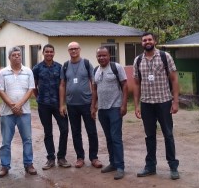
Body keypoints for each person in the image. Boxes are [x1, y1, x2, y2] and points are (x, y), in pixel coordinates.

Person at [133, 32, 181, 180]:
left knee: (168, 134)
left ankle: (173, 167)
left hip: (164, 102)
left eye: (149, 39)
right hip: (146, 103)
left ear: (155, 41)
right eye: (144, 40)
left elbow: (174, 79)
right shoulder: (138, 60)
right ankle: (150, 166)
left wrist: (175, 101)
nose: (147, 42)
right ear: (142, 43)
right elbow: (136, 83)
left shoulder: (165, 57)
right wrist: (136, 105)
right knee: (149, 136)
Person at [59, 41, 103, 169]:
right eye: (71, 49)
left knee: (91, 131)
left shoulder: (86, 63)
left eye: (75, 48)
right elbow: (62, 85)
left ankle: (94, 157)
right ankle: (80, 157)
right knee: (76, 132)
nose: (73, 51)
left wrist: (94, 104)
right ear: (68, 51)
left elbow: (94, 83)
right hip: (72, 105)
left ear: (80, 49)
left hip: (87, 103)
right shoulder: (65, 66)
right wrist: (62, 104)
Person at [0, 47, 37, 177]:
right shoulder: (3, 72)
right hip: (7, 113)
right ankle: (5, 166)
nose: (17, 57)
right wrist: (13, 106)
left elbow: (30, 90)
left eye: (19, 55)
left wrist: (18, 105)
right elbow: (0, 90)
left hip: (24, 112)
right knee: (6, 141)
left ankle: (28, 164)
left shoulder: (28, 71)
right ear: (9, 58)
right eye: (14, 55)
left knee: (27, 139)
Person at [32, 44, 72, 170]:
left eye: (51, 52)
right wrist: (38, 97)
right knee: (47, 132)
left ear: (54, 53)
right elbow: (34, 85)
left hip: (58, 104)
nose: (49, 54)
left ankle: (61, 157)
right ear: (43, 53)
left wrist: (62, 104)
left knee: (64, 129)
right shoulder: (37, 68)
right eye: (47, 52)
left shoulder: (60, 67)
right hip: (43, 105)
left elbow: (63, 85)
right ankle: (50, 158)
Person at [91, 46, 128, 180]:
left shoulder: (116, 67)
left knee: (116, 138)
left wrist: (124, 105)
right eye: (99, 56)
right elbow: (94, 90)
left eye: (104, 55)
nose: (101, 58)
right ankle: (112, 163)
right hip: (102, 110)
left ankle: (120, 167)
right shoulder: (96, 70)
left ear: (109, 56)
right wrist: (93, 106)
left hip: (115, 108)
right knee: (108, 138)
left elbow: (125, 85)